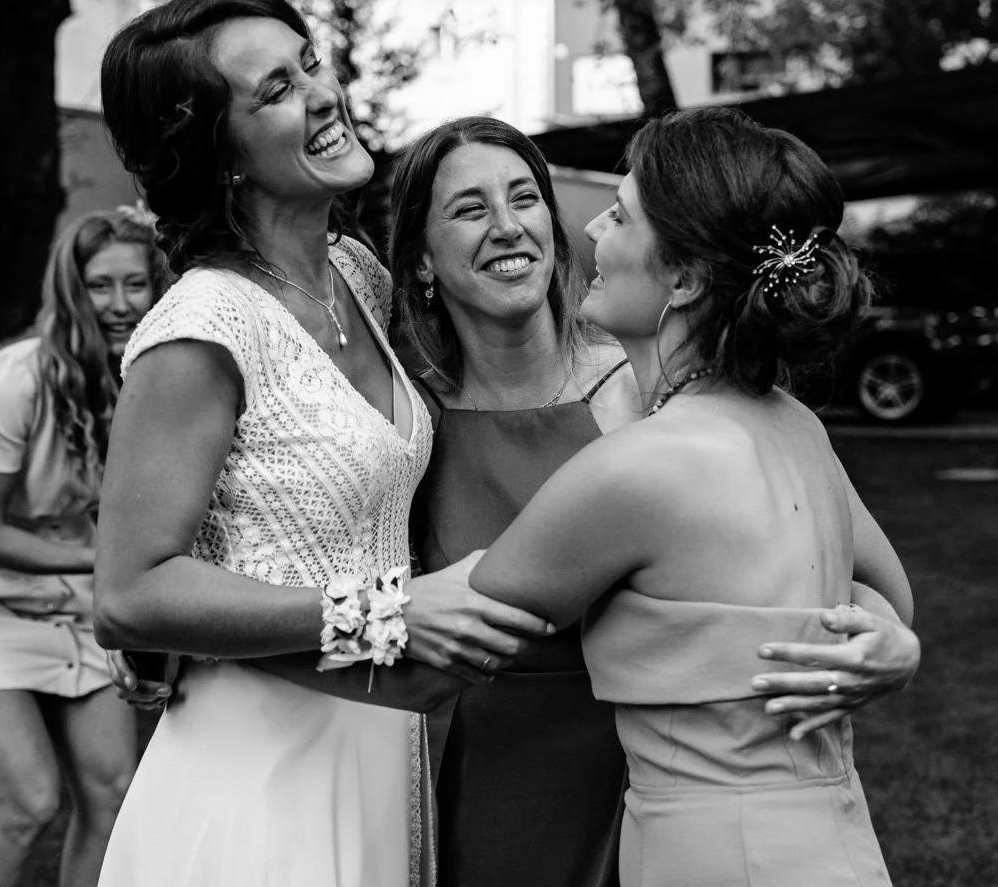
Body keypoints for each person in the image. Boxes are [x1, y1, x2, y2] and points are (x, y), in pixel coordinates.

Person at [89, 0, 551, 887]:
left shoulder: (358, 276)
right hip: (255, 775)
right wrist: (390, 614)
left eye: (310, 63)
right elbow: (129, 593)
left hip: (379, 750)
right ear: (220, 153)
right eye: (276, 90)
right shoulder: (202, 329)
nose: (323, 94)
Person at [387, 116, 918, 887]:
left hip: (705, 841)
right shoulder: (789, 419)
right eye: (469, 209)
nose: (591, 228)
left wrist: (253, 636)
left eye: (620, 214)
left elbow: (442, 632)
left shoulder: (634, 465)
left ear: (684, 279)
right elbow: (882, 593)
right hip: (821, 834)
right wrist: (892, 638)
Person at [0, 206, 170, 887]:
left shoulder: (150, 382)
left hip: (66, 600)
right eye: (100, 285)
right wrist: (112, 567)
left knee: (112, 792)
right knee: (28, 803)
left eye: (136, 284)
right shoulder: (11, 378)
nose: (120, 304)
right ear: (72, 290)